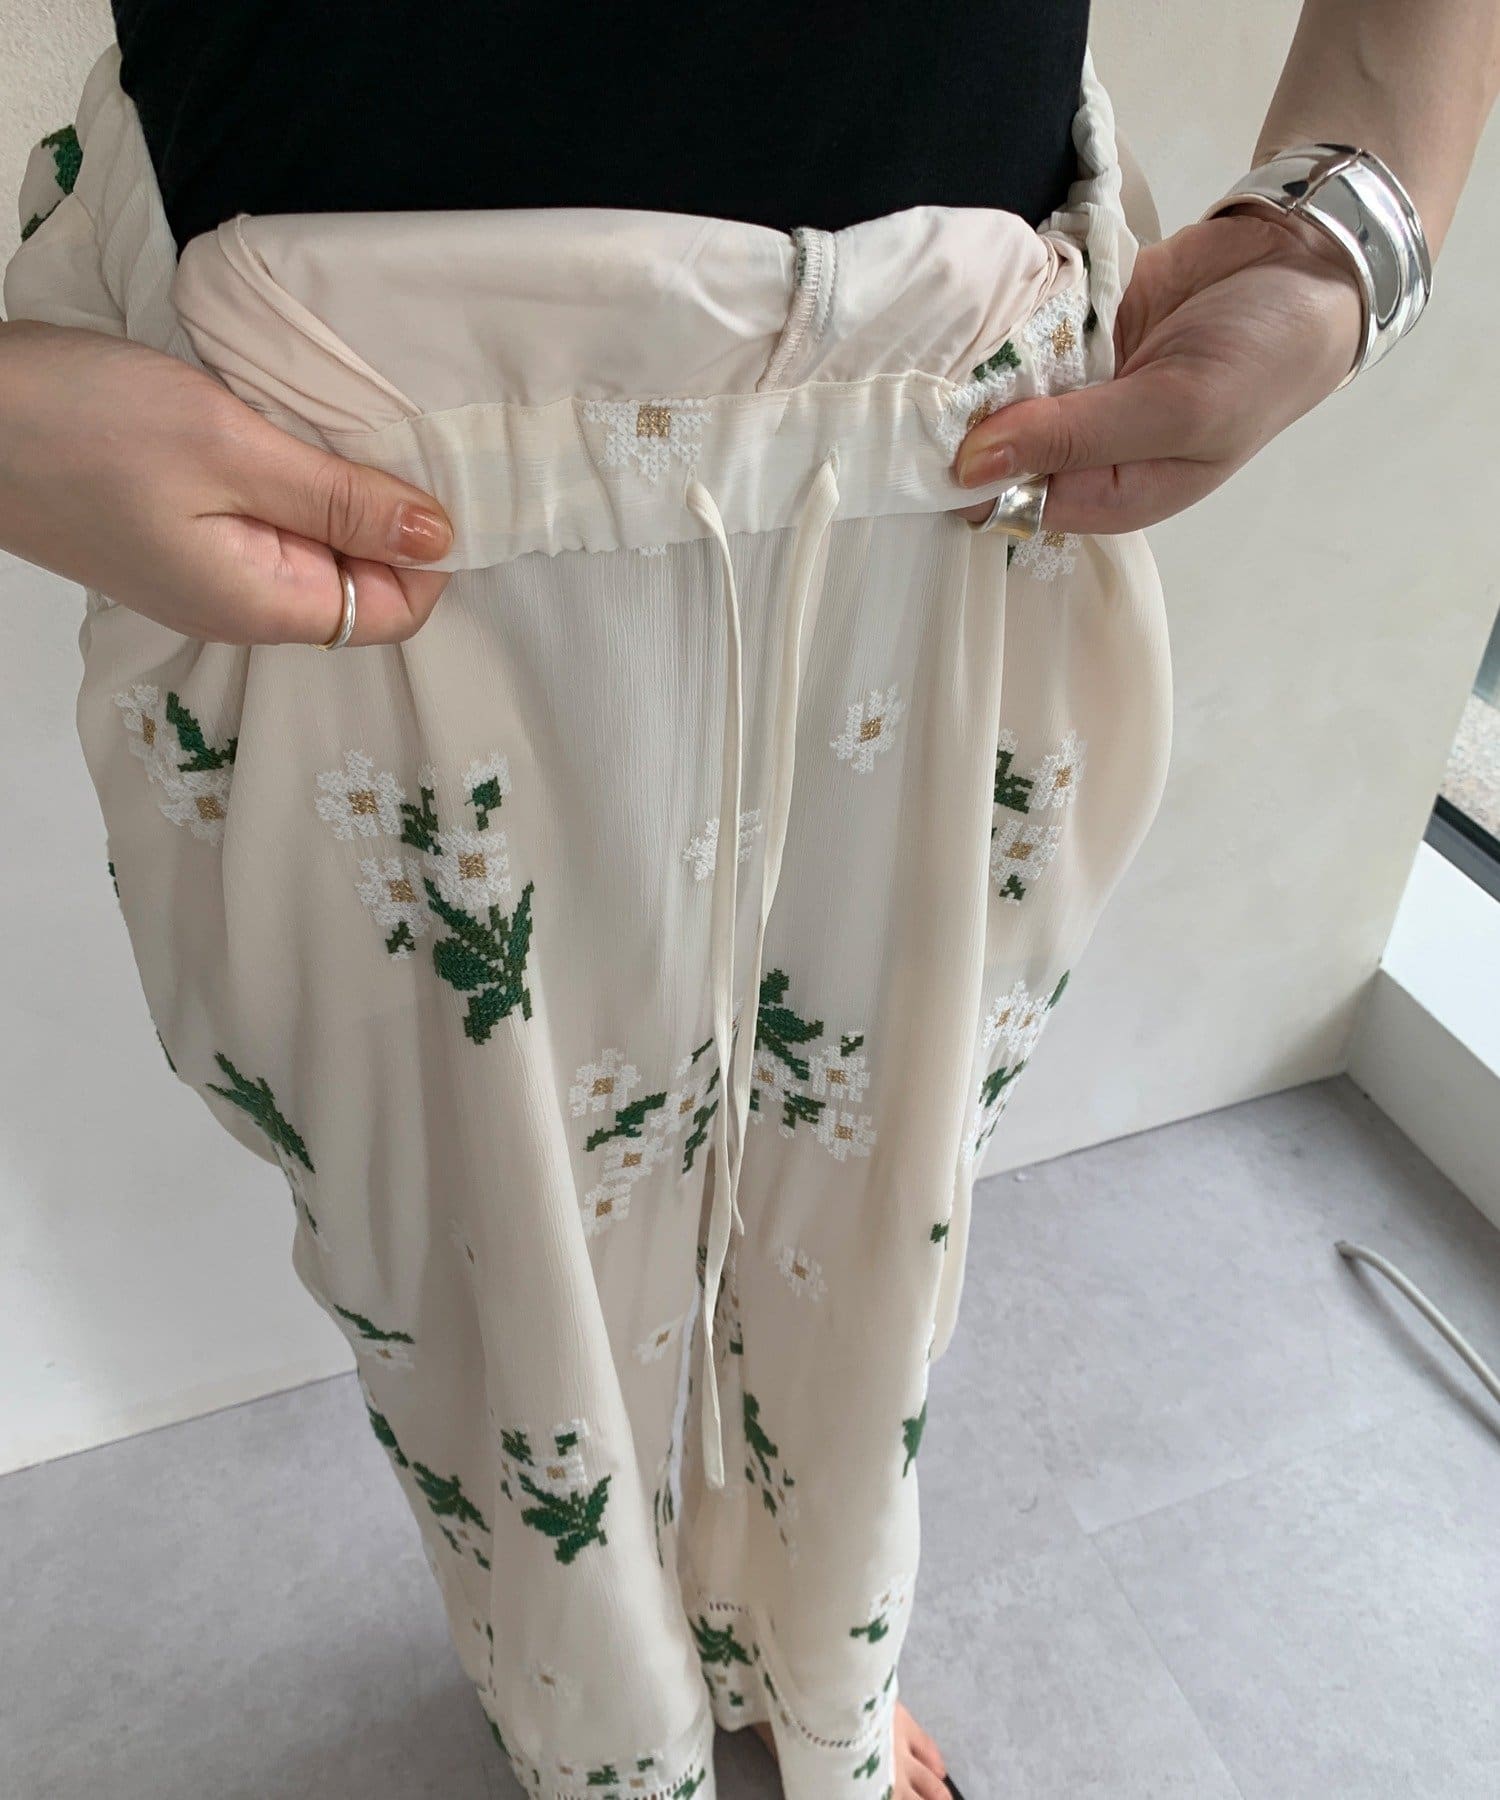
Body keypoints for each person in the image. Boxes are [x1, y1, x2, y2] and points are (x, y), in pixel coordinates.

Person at [1, 4, 1495, 1798]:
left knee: (876, 1224)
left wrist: (1355, 216)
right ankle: (600, 1746)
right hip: (342, 481)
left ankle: (817, 1673)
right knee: (485, 1309)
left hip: (956, 442)